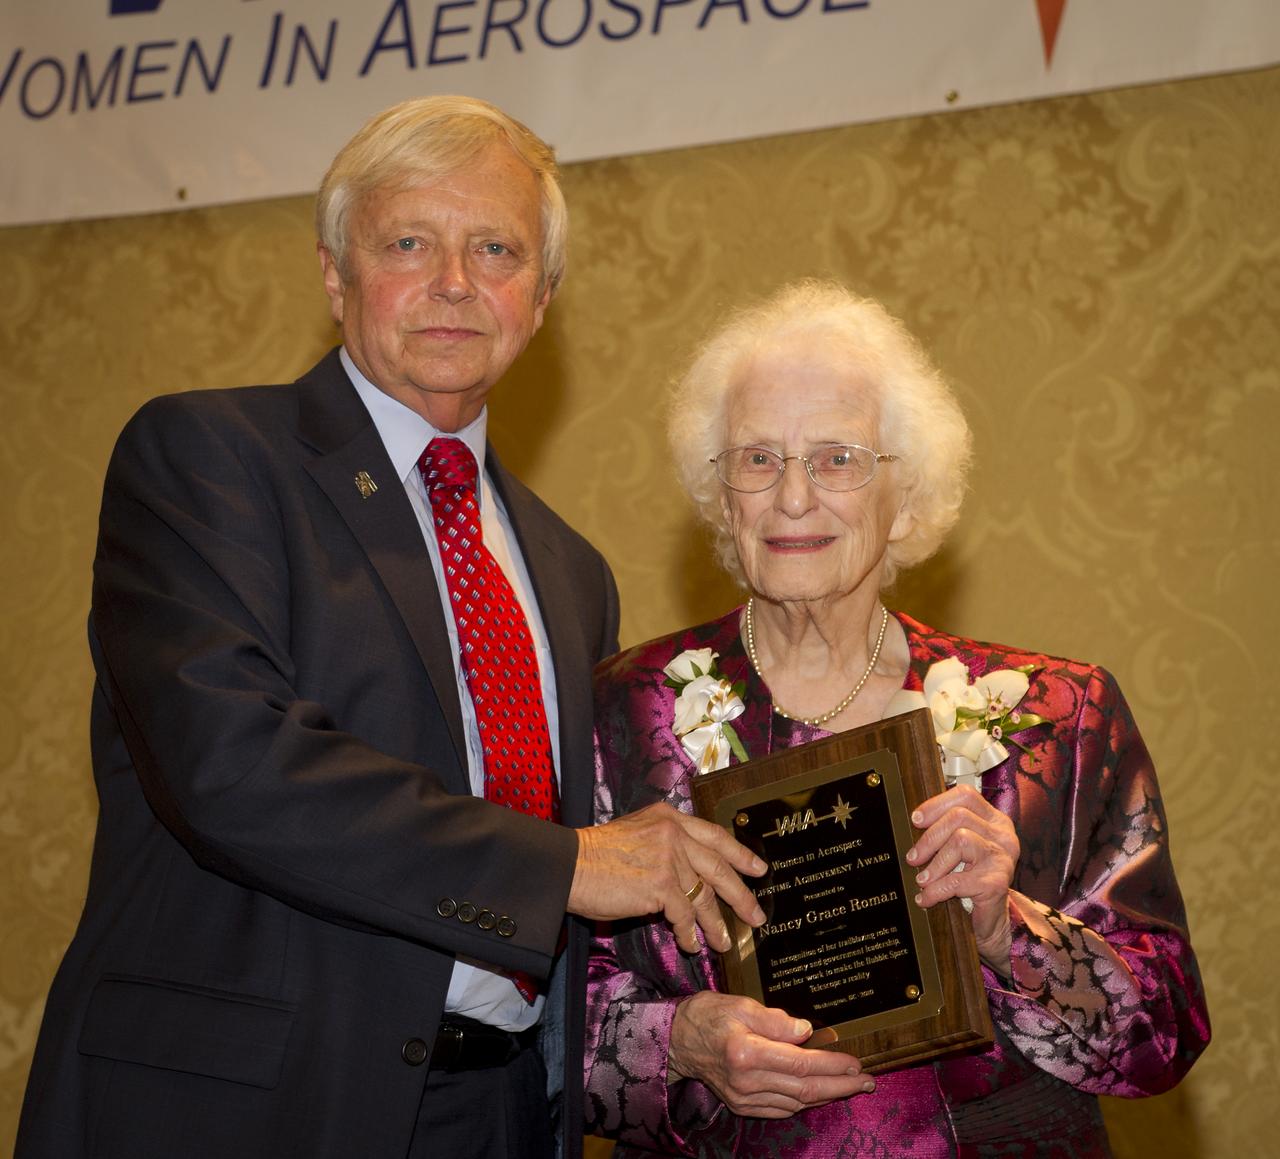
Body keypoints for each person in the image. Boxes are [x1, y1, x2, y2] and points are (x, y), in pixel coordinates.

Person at [15, 95, 766, 1159]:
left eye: (495, 248)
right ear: (334, 273)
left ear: (542, 297)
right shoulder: (207, 459)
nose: (455, 281)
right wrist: (563, 867)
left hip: (501, 1113)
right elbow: (233, 768)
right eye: (409, 241)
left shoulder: (569, 570)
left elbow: (614, 863)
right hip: (244, 1111)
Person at [585, 280, 1210, 1156]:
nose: (793, 497)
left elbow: (1167, 1031)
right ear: (720, 494)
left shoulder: (1057, 715)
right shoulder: (620, 710)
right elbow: (527, 1005)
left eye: (839, 458)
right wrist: (679, 1041)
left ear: (906, 495)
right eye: (757, 458)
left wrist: (1007, 931)